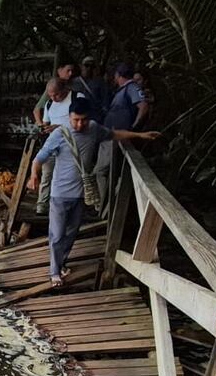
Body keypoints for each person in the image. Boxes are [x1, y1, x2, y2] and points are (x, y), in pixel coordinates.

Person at [27, 97, 160, 287]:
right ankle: (54, 272)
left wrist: (139, 135)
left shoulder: (94, 128)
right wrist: (33, 176)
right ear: (69, 117)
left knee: (72, 233)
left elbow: (114, 134)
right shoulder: (60, 134)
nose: (79, 124)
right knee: (56, 234)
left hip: (81, 193)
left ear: (88, 118)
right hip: (59, 193)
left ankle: (61, 263)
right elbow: (39, 158)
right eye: (75, 120)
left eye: (83, 120)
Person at [94, 63, 150, 212]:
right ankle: (107, 205)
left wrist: (134, 126)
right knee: (110, 171)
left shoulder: (131, 88)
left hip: (117, 136)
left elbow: (143, 106)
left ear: (118, 76)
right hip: (111, 135)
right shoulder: (122, 91)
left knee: (102, 170)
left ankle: (107, 207)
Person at [30, 77, 73, 214]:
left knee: (67, 177)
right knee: (47, 174)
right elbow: (46, 122)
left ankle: (65, 207)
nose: (53, 98)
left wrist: (59, 127)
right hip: (53, 143)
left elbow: (83, 123)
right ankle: (42, 206)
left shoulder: (76, 98)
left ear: (64, 90)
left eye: (56, 94)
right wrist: (45, 128)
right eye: (50, 95)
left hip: (71, 145)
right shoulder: (49, 104)